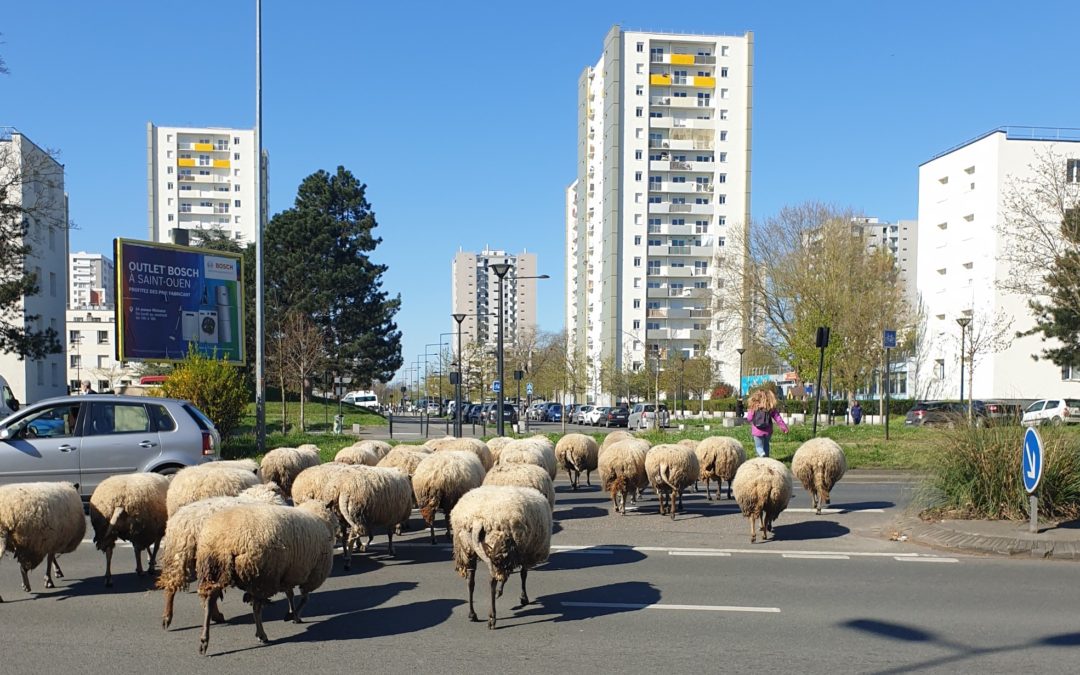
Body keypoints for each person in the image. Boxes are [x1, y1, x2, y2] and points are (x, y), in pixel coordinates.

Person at [744, 389, 789, 458]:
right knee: (766, 445)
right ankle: (767, 459)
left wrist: (751, 413)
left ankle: (762, 454)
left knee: (759, 447)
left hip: (757, 431)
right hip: (768, 431)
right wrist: (784, 428)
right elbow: (778, 418)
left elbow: (749, 418)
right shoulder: (770, 407)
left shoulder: (754, 407)